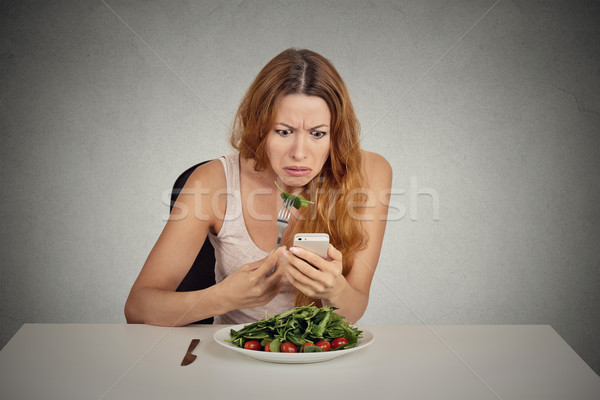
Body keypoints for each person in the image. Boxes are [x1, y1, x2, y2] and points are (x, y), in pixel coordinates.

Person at [124, 48, 392, 326]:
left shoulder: (370, 172)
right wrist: (223, 297)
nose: (299, 153)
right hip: (235, 356)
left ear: (335, 135)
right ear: (259, 128)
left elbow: (354, 310)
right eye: (284, 131)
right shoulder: (212, 181)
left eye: (317, 134)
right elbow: (138, 308)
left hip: (319, 357)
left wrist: (334, 291)